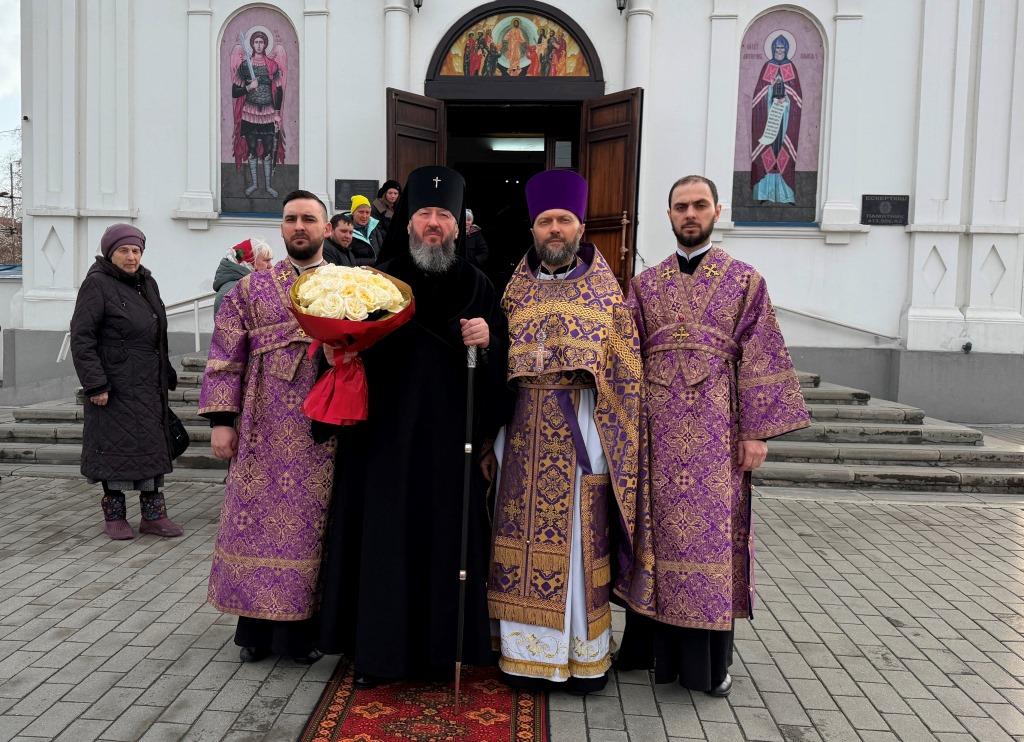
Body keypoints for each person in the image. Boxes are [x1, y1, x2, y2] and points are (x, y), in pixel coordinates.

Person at [615, 175, 811, 696]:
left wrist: (756, 432)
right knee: (655, 538)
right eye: (681, 206)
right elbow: (625, 356)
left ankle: (708, 665)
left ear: (717, 211)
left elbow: (761, 354)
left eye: (699, 205)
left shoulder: (745, 281)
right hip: (657, 440)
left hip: (717, 439)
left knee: (712, 543)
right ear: (668, 214)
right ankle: (652, 652)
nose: (690, 214)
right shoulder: (645, 284)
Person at [318, 166, 511, 687]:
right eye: (424, 213)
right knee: (384, 544)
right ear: (407, 221)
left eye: (443, 215)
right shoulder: (374, 283)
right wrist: (338, 352)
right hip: (383, 443)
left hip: (451, 446)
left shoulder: (479, 286)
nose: (433, 224)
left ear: (458, 225)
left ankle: (442, 652)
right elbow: (341, 353)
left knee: (448, 545)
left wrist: (488, 341)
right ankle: (378, 656)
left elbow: (501, 368)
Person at [486, 169, 648, 694]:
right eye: (545, 221)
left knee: (580, 542)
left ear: (580, 227)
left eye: (563, 220)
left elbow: (626, 372)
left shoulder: (606, 292)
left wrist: (608, 440)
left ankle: (581, 658)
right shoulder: (513, 292)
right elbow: (496, 361)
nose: (554, 229)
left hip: (583, 427)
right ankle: (525, 656)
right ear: (533, 230)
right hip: (521, 431)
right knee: (518, 538)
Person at [199, 190, 336, 665]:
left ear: (325, 228)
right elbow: (224, 354)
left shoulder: (346, 286)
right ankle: (253, 633)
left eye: (309, 219)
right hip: (262, 423)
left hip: (323, 428)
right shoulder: (249, 289)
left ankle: (300, 636)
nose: (300, 226)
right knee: (255, 525)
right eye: (291, 218)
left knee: (310, 530)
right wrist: (222, 421)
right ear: (281, 228)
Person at [70, 223, 183, 541]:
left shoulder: (147, 282)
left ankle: (153, 516)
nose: (131, 257)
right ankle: (115, 516)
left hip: (148, 385)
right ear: (110, 253)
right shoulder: (97, 284)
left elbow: (156, 333)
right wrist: (95, 384)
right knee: (114, 448)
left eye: (136, 250)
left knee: (151, 448)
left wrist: (166, 370)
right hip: (114, 387)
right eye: (124, 250)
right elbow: (82, 338)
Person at [230, 30, 287, 198]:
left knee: (268, 150)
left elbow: (279, 90)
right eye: (256, 42)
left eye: (262, 42)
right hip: (250, 113)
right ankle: (254, 184)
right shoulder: (244, 66)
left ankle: (268, 186)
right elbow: (234, 91)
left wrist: (277, 113)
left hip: (268, 113)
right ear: (252, 44)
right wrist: (249, 87)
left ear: (266, 44)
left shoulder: (273, 65)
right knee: (252, 149)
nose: (259, 45)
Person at [750, 35, 802, 204]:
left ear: (786, 50)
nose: (780, 51)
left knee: (783, 152)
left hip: (785, 119)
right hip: (769, 119)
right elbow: (758, 96)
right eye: (777, 48)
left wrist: (785, 97)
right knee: (767, 151)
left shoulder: (790, 67)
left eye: (782, 48)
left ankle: (785, 194)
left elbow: (797, 97)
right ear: (773, 49)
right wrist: (771, 88)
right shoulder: (768, 67)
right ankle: (764, 194)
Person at [213, 238, 273, 315]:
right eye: (266, 260)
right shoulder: (232, 291)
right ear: (250, 262)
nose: (270, 266)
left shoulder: (249, 285)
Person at [350, 194, 385, 261]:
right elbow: (348, 260)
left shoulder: (374, 227)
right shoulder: (346, 231)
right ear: (353, 212)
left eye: (367, 212)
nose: (364, 216)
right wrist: (373, 262)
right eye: (361, 212)